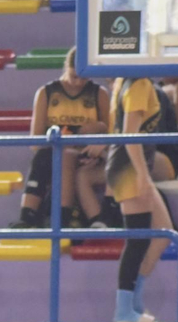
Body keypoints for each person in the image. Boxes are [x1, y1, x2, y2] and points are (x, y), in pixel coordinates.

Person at [107, 76, 178, 322]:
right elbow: (129, 133)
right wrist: (142, 175)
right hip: (129, 169)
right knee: (137, 239)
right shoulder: (139, 85)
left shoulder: (130, 83)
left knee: (163, 234)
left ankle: (135, 303)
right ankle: (124, 311)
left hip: (132, 166)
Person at [13, 50, 111, 230]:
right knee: (48, 156)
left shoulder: (99, 94)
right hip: (53, 150)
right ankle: (27, 215)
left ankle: (62, 216)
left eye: (85, 77)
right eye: (75, 77)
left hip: (89, 151)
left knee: (67, 154)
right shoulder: (47, 93)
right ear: (67, 68)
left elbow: (109, 132)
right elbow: (35, 141)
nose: (80, 83)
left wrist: (88, 139)